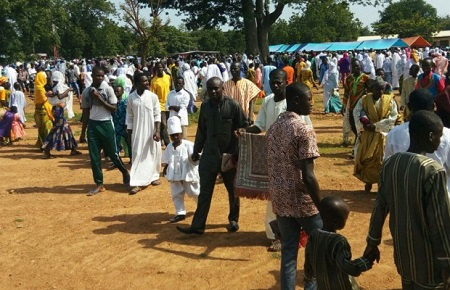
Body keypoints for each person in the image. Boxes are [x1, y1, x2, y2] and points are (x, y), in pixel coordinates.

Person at [364, 110, 450, 289]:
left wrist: (372, 242)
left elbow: (380, 207)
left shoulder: (390, 164)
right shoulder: (433, 171)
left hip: (404, 258)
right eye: (439, 137)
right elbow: (439, 222)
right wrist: (446, 261)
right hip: (430, 262)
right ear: (430, 136)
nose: (440, 141)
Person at [266, 82, 322, 290]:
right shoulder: (303, 129)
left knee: (289, 252)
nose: (312, 102)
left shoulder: (274, 127)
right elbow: (308, 176)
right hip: (302, 201)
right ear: (297, 101)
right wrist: (321, 204)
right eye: (309, 99)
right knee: (317, 247)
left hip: (281, 199)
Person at [177, 77, 248, 235]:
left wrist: (241, 132)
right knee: (205, 192)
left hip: (229, 155)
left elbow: (245, 124)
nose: (214, 91)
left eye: (216, 88)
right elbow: (201, 130)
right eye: (210, 89)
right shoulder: (205, 107)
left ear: (223, 88)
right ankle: (198, 226)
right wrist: (196, 150)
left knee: (233, 190)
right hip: (209, 155)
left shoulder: (233, 105)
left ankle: (233, 220)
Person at [385, 88, 450, 193]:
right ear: (434, 106)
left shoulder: (394, 133)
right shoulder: (447, 134)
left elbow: (388, 168)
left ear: (409, 107)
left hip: (406, 198)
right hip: (440, 199)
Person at [80, 66, 130, 196]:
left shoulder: (108, 89)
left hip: (106, 124)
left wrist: (99, 98)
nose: (100, 78)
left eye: (102, 76)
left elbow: (113, 108)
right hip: (93, 125)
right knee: (94, 156)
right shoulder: (86, 91)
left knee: (113, 153)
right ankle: (99, 184)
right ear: (93, 75)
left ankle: (124, 171)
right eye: (98, 76)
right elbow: (85, 112)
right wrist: (82, 132)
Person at [305, 196, 374, 290]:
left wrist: (308, 274)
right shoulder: (338, 241)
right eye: (345, 218)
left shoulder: (313, 235)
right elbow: (347, 267)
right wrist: (366, 261)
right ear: (336, 222)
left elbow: (308, 263)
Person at [353, 77, 398, 192]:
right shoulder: (364, 100)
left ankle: (380, 183)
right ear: (372, 89)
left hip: (382, 134)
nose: (380, 92)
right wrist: (364, 126)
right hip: (367, 134)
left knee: (380, 160)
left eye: (382, 89)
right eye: (377, 89)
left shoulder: (390, 101)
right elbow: (356, 113)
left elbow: (392, 116)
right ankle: (368, 182)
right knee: (367, 158)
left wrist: (377, 126)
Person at [127, 72, 162, 195]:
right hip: (137, 131)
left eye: (147, 81)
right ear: (136, 84)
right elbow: (129, 116)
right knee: (137, 154)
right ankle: (137, 182)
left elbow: (157, 114)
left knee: (152, 153)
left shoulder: (153, 97)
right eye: (144, 81)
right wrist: (129, 132)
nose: (147, 83)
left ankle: (154, 176)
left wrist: (157, 131)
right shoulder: (131, 98)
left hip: (151, 130)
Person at [162, 116, 200, 223]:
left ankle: (201, 208)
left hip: (188, 173)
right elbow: (167, 159)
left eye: (176, 135)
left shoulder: (188, 145)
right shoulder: (169, 147)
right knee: (176, 193)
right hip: (174, 175)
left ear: (181, 134)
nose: (175, 137)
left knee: (194, 191)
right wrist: (166, 167)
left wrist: (195, 158)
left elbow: (196, 156)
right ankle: (180, 213)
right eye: (172, 136)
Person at [343, 59, 370, 140]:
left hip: (362, 105)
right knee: (352, 123)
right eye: (353, 67)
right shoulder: (348, 79)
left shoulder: (366, 78)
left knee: (361, 123)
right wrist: (344, 105)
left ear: (360, 67)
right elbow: (346, 92)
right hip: (352, 105)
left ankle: (360, 139)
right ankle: (357, 137)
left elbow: (370, 91)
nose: (355, 68)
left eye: (357, 66)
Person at [150, 62, 172, 147]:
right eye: (158, 68)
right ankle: (168, 144)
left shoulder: (168, 77)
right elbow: (153, 95)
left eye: (161, 67)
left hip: (169, 104)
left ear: (163, 68)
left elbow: (170, 88)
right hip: (160, 105)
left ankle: (163, 139)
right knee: (163, 124)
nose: (160, 69)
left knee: (168, 124)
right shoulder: (154, 81)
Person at [34, 66, 54, 148]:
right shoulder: (40, 88)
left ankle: (43, 144)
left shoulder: (38, 86)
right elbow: (44, 99)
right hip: (43, 111)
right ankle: (46, 145)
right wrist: (50, 94)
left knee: (42, 129)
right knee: (46, 128)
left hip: (39, 110)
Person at [112, 84, 131, 161]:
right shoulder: (113, 103)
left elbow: (128, 115)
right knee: (116, 143)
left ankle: (131, 158)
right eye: (115, 91)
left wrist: (127, 126)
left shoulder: (125, 103)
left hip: (124, 126)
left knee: (129, 143)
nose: (116, 93)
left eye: (118, 91)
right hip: (116, 127)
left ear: (122, 92)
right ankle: (117, 161)